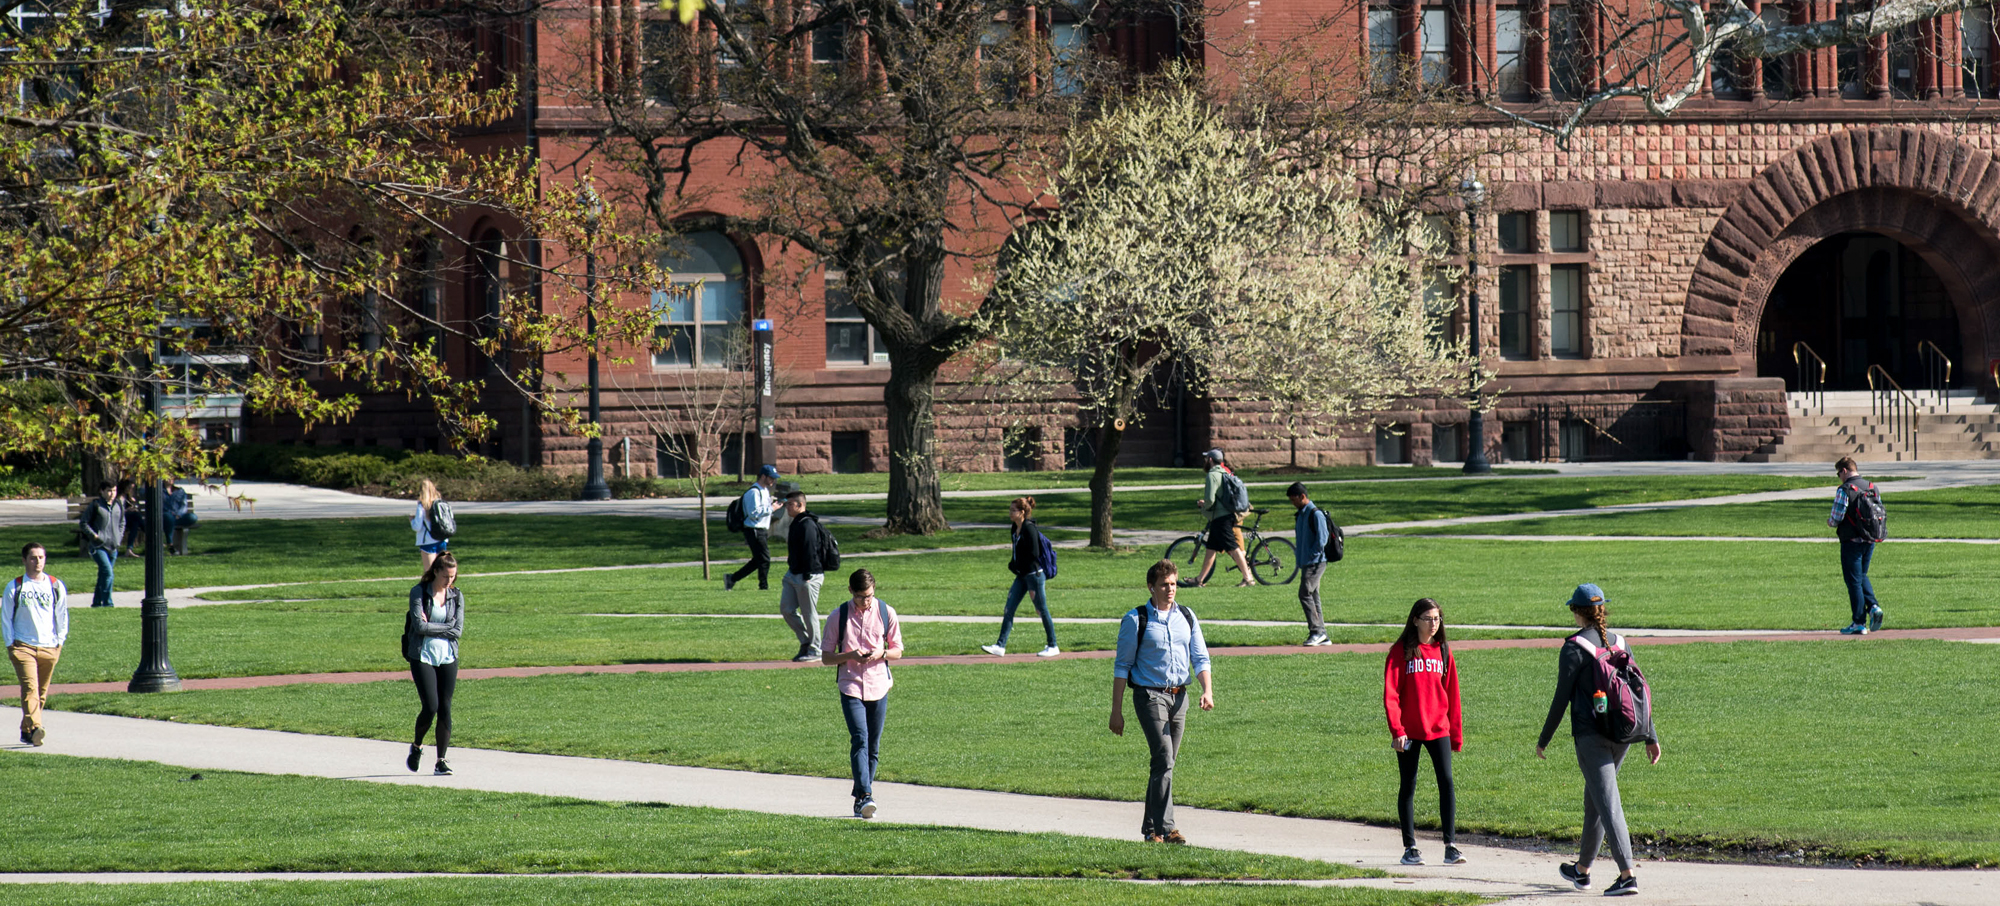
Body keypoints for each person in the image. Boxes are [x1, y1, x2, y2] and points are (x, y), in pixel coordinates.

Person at [1536, 583, 1662, 898]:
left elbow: (1560, 697)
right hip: (1623, 734)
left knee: (1607, 802)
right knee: (1595, 800)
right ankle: (1582, 871)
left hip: (1591, 737)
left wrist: (1544, 739)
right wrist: (1650, 735)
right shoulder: (1619, 642)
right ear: (1602, 609)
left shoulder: (1574, 647)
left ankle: (1627, 874)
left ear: (1577, 612)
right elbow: (1638, 692)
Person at [1110, 559, 1214, 844]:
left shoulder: (1187, 617)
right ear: (1151, 587)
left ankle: (1150, 829)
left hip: (1180, 697)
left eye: (1173, 584)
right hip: (1149, 695)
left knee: (1163, 764)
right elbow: (1122, 667)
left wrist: (1207, 690)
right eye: (1164, 585)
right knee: (1164, 759)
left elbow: (1200, 657)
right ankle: (1167, 830)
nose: (1170, 589)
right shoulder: (1136, 619)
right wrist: (1116, 712)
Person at [1384, 597, 1463, 866]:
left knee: (1447, 782)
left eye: (1437, 618)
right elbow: (1391, 694)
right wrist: (1397, 730)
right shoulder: (1401, 651)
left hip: (1439, 728)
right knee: (1408, 785)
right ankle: (1410, 848)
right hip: (1408, 731)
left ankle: (1450, 846)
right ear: (1415, 620)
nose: (1433, 624)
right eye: (1428, 618)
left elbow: (1452, 693)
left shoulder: (1443, 651)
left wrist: (1456, 734)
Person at [821, 568, 903, 819]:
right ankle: (866, 795)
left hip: (879, 684)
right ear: (850, 592)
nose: (865, 602)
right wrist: (850, 655)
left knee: (873, 745)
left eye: (868, 596)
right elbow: (826, 657)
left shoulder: (885, 612)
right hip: (851, 684)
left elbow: (898, 649)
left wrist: (881, 653)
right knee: (860, 738)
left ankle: (860, 797)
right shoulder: (839, 616)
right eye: (860, 597)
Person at [404, 552, 464, 776]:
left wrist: (439, 628)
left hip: (448, 656)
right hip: (423, 655)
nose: (449, 581)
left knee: (445, 707)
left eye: (453, 577)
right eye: (446, 576)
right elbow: (419, 626)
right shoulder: (418, 592)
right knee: (431, 706)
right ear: (436, 571)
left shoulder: (456, 596)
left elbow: (457, 630)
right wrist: (446, 627)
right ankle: (417, 746)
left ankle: (441, 760)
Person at [4, 543, 69, 746]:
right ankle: (37, 728)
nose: (38, 561)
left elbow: (62, 615)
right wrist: (10, 644)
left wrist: (59, 641)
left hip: (50, 646)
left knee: (40, 693)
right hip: (23, 646)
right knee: (31, 688)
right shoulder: (15, 586)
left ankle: (26, 731)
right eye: (33, 557)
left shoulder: (55, 585)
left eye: (41, 557)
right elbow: (6, 618)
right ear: (24, 560)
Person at [981, 496, 1059, 658]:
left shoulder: (1029, 529)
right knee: (1009, 608)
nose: (1010, 513)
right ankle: (1000, 646)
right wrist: (1013, 563)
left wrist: (1019, 564)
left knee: (1041, 609)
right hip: (1022, 575)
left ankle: (1053, 645)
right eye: (1010, 510)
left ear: (1022, 512)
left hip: (1034, 575)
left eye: (1013, 510)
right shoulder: (1013, 528)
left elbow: (1034, 553)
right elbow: (1016, 550)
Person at [1828, 456, 1886, 635]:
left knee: (1853, 581)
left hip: (1851, 541)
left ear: (1844, 470)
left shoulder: (1845, 489)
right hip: (1870, 539)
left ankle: (1859, 622)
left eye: (1839, 473)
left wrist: (1830, 522)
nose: (1840, 477)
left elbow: (1837, 517)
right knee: (1861, 575)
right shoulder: (1871, 487)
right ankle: (1873, 607)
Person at [1190, 450, 1254, 587]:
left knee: (1233, 547)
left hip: (1221, 517)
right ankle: (1199, 580)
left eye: (1206, 458)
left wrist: (1203, 505)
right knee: (1211, 548)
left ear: (1211, 460)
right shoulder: (1225, 473)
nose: (1205, 461)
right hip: (1226, 514)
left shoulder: (1212, 475)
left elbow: (1210, 500)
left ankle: (1248, 578)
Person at [780, 491, 828, 662]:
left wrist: (807, 575)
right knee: (786, 609)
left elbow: (810, 551)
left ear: (800, 505)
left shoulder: (807, 524)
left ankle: (816, 650)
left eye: (790, 504)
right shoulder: (796, 523)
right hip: (793, 574)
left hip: (808, 575)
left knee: (809, 613)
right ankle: (806, 642)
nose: (787, 507)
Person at [724, 465, 780, 591]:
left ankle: (731, 578)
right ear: (763, 476)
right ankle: (763, 587)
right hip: (753, 529)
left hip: (761, 529)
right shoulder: (754, 492)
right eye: (771, 478)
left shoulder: (764, 490)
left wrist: (772, 506)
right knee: (764, 559)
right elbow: (753, 513)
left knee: (758, 560)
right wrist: (772, 509)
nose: (773, 481)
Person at [1289, 482, 1331, 646]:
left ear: (1302, 497)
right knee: (1313, 596)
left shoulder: (1315, 514)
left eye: (1294, 500)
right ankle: (1322, 634)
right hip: (1306, 561)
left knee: (1304, 593)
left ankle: (1316, 631)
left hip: (1315, 562)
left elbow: (1322, 539)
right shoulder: (1301, 514)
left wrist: (1312, 555)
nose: (1293, 503)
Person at [76, 481, 124, 608]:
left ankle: (96, 603)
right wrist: (94, 536)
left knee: (103, 574)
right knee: (108, 573)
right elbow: (83, 523)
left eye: (114, 490)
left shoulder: (118, 504)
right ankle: (108, 603)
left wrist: (119, 536)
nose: (112, 494)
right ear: (101, 491)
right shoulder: (96, 505)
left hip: (113, 546)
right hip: (98, 546)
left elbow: (122, 522)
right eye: (109, 490)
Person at [412, 479, 448, 574]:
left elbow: (417, 526)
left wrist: (411, 520)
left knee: (430, 573)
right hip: (442, 539)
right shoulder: (441, 504)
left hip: (428, 541)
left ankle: (429, 589)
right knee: (442, 572)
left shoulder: (422, 506)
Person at [162, 476, 199, 556]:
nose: (169, 479)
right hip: (165, 517)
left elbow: (184, 505)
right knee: (168, 517)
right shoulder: (158, 491)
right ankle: (170, 544)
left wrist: (178, 514)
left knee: (193, 517)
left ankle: (171, 525)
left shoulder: (179, 491)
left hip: (178, 517)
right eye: (167, 477)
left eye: (171, 477)